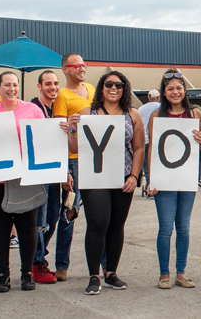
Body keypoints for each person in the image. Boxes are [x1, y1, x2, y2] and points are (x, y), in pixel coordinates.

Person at [67, 70, 144, 295]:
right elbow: (74, 148)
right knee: (98, 222)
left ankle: (111, 272)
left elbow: (139, 147)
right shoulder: (87, 112)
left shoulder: (132, 115)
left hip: (123, 177)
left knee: (116, 225)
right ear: (101, 87)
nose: (113, 88)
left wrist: (134, 176)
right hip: (96, 176)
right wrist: (72, 129)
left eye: (118, 85)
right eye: (109, 84)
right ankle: (93, 275)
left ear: (124, 89)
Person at [0, 71, 45, 293]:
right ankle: (3, 275)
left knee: (27, 226)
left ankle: (27, 274)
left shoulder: (33, 110)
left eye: (15, 85)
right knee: (0, 227)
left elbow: (44, 138)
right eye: (7, 85)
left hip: (24, 176)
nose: (12, 89)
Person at [146, 69, 201, 290]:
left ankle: (181, 273)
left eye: (179, 88)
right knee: (165, 228)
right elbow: (152, 147)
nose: (175, 92)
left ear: (185, 90)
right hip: (164, 178)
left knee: (184, 227)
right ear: (163, 92)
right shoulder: (156, 116)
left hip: (186, 177)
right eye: (170, 88)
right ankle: (164, 274)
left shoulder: (195, 114)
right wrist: (151, 178)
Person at [51, 53, 95, 282]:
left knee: (98, 211)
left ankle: (102, 265)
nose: (82, 68)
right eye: (77, 65)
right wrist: (64, 169)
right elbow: (59, 131)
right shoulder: (62, 96)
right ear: (65, 69)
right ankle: (61, 264)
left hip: (96, 156)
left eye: (84, 64)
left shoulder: (92, 89)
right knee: (69, 211)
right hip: (73, 158)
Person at [31, 70, 61, 284]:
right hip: (39, 170)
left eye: (56, 83)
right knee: (40, 219)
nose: (53, 87)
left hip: (56, 169)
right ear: (39, 86)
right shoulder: (33, 108)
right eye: (48, 83)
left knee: (53, 216)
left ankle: (40, 256)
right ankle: (37, 262)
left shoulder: (58, 107)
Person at [137, 89, 161, 196]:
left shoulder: (141, 109)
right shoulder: (160, 107)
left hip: (143, 140)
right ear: (158, 97)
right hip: (157, 140)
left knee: (147, 167)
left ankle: (149, 188)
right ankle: (158, 187)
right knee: (158, 165)